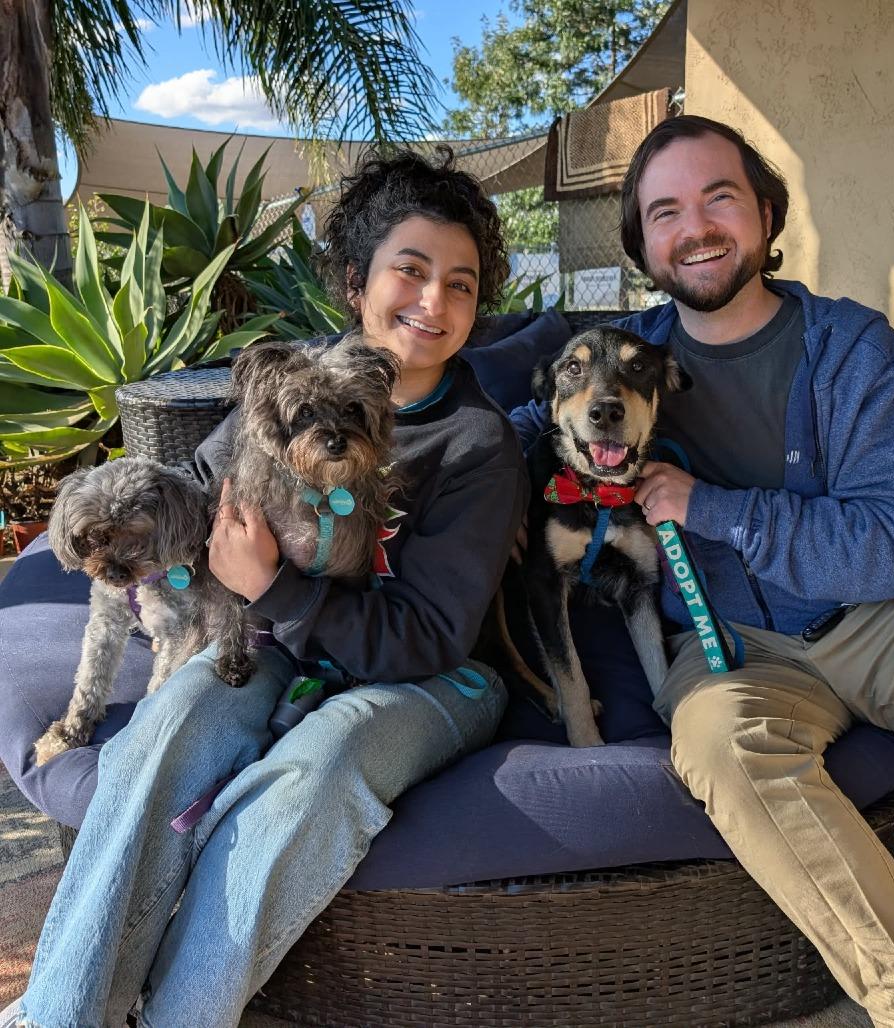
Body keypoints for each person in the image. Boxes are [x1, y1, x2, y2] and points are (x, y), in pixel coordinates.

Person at [512, 116, 894, 1028]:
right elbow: (528, 423)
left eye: (720, 197)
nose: (696, 227)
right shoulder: (625, 354)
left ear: (765, 212)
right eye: (665, 211)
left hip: (893, 618)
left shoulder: (854, 351)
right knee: (717, 748)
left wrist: (711, 508)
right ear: (642, 243)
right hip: (734, 650)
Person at [5, 146, 527, 1028]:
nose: (435, 303)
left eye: (462, 284)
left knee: (311, 775)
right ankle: (61, 1014)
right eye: (411, 271)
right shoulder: (285, 386)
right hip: (276, 644)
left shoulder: (476, 444)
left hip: (432, 679)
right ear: (357, 283)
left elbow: (431, 638)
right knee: (166, 731)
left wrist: (276, 588)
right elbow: (206, 505)